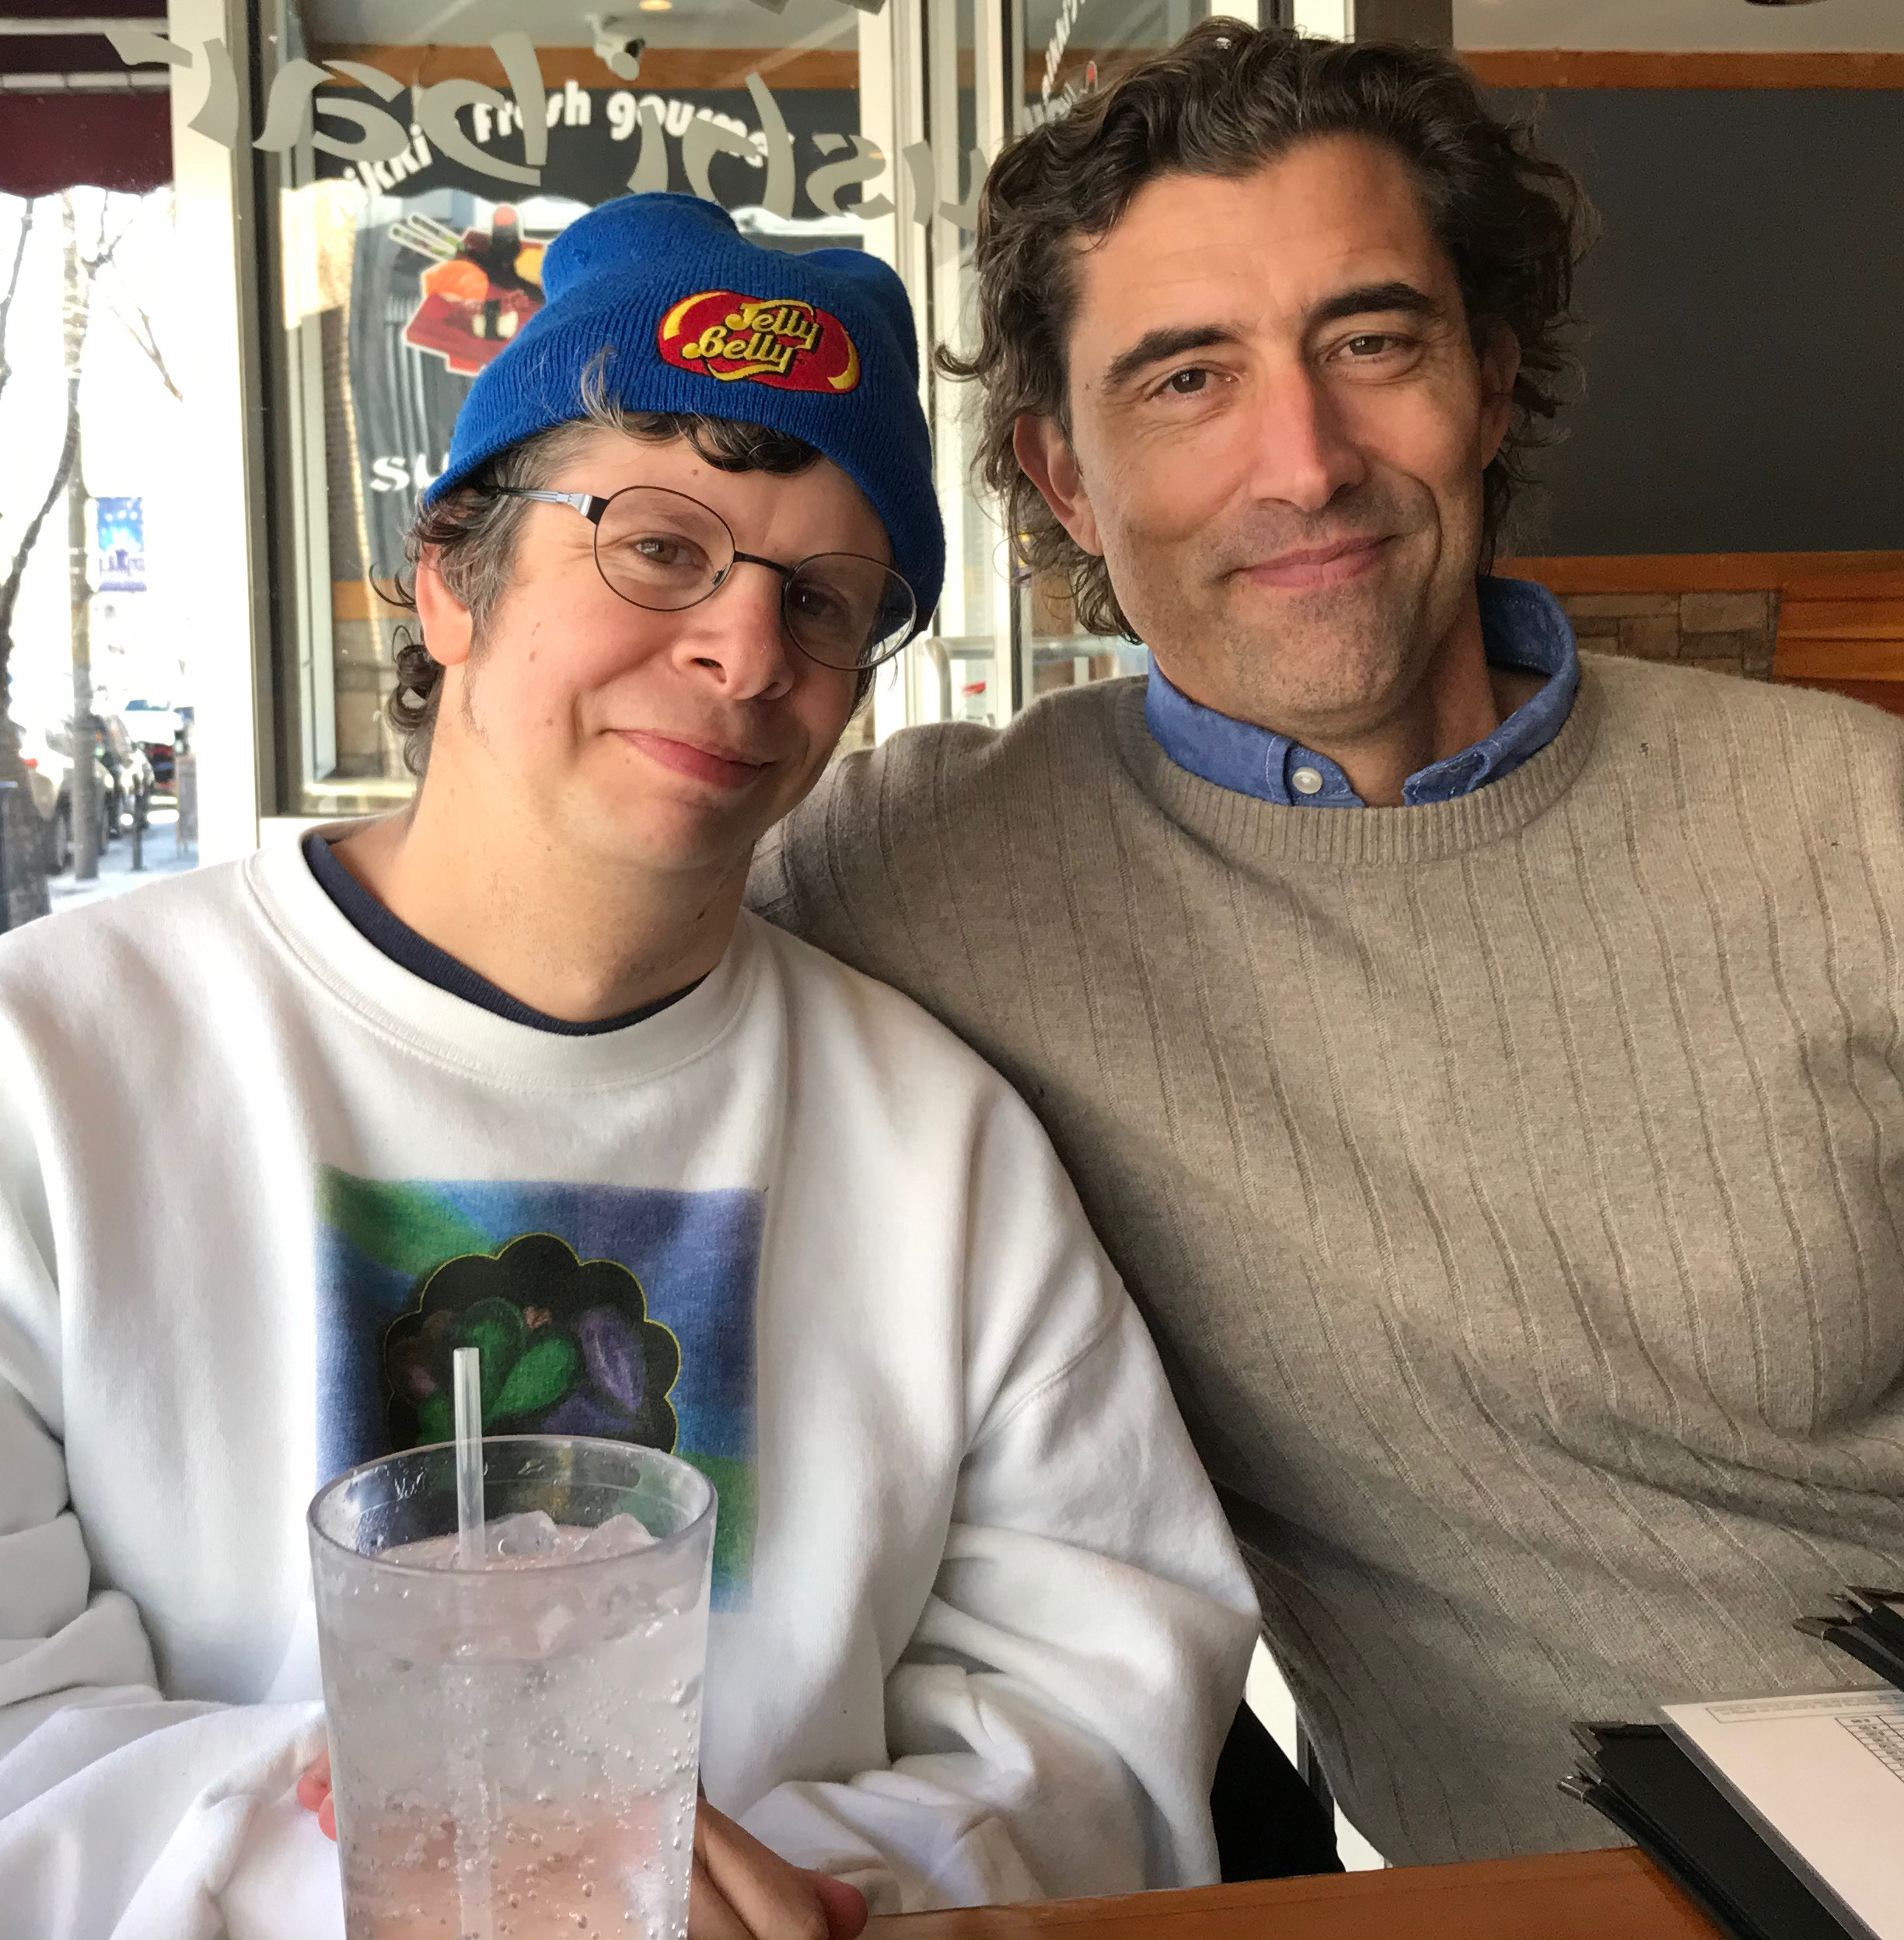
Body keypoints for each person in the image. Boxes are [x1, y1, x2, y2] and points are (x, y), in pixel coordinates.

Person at [0, 193, 1260, 1938]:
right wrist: (444, 1879)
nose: (746, 652)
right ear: (450, 579)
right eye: (657, 546)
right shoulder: (53, 1069)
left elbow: (1094, 1710)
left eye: (824, 601)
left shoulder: (935, 1140)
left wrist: (785, 1899)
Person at [749, 22, 1904, 1869]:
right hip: (1551, 1900)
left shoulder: (1858, 824)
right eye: (1185, 378)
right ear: (1061, 477)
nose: (1304, 461)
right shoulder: (919, 866)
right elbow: (517, 954)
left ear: (1491, 378)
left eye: (1372, 343)